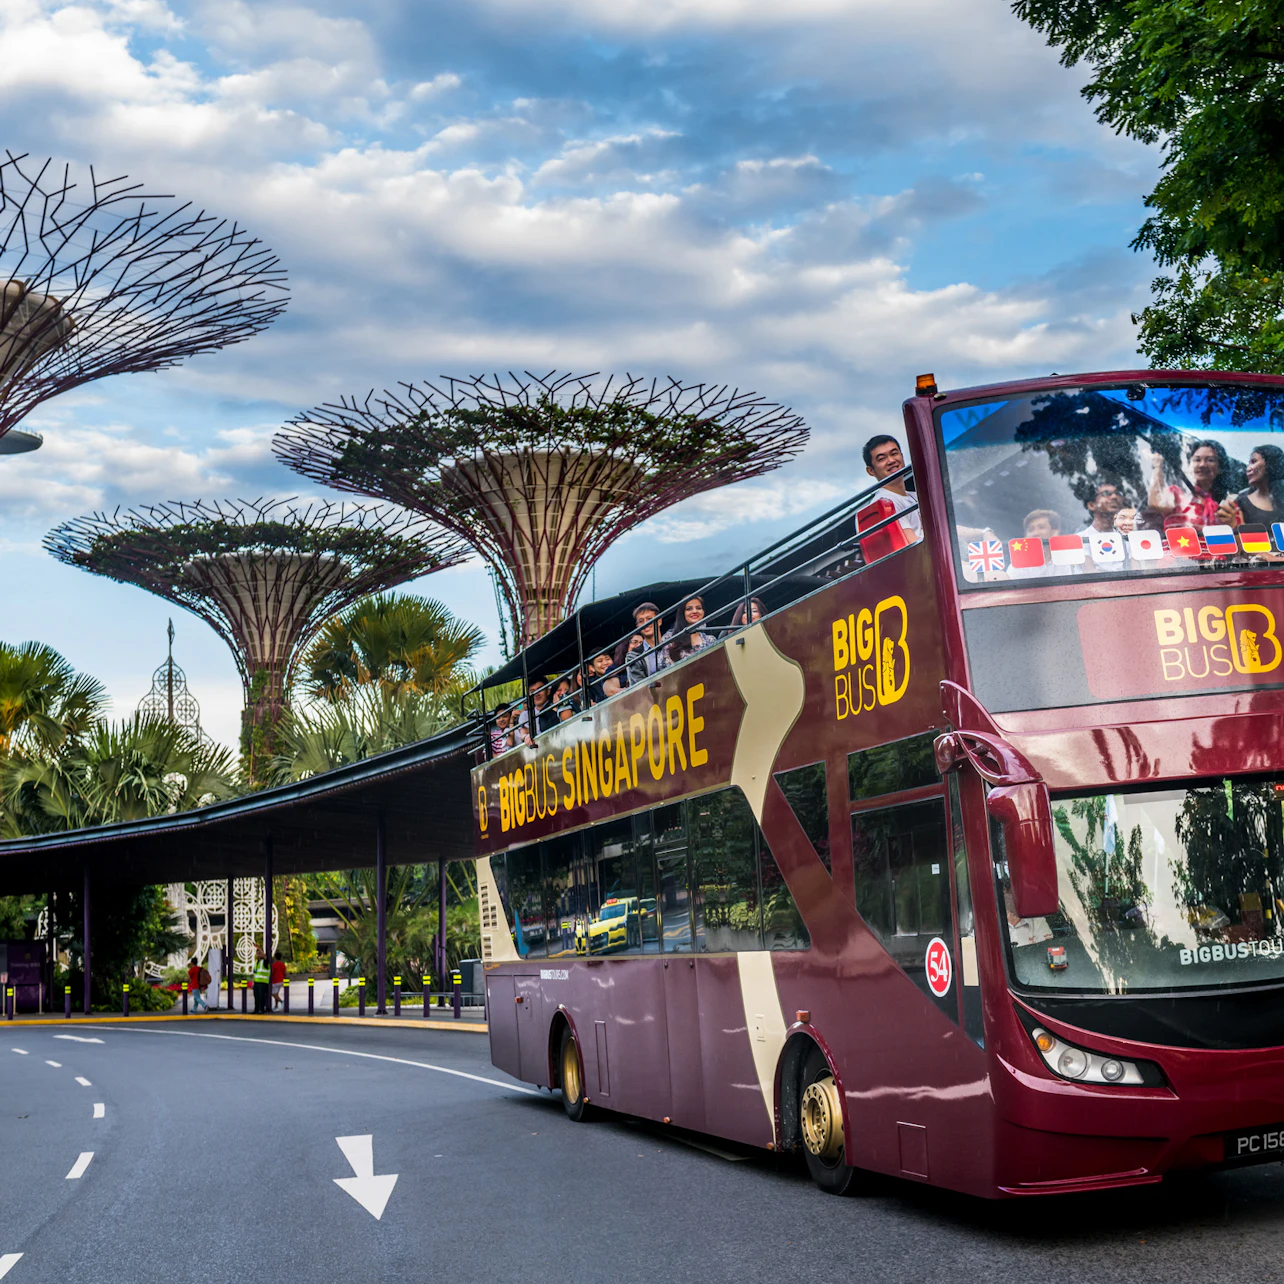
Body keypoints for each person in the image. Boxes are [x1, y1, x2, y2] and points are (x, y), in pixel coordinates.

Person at [1148, 439, 1231, 529]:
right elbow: (1156, 503)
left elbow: (1236, 533)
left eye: (1210, 460)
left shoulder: (1226, 505)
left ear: (1220, 468)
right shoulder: (1177, 494)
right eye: (1197, 460)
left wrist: (1231, 521)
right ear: (1190, 465)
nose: (1202, 465)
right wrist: (1157, 466)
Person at [860, 434, 921, 542]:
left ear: (902, 456)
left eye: (894, 454)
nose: (891, 460)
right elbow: (912, 545)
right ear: (871, 471)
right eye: (882, 459)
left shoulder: (916, 496)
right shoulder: (885, 503)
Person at [1220, 443, 1284, 527]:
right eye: (1249, 463)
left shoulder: (1281, 497)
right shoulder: (1241, 501)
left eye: (1254, 462)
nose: (1248, 468)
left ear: (1270, 463)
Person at [614, 601, 664, 685]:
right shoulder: (633, 656)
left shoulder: (672, 640)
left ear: (659, 621)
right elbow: (640, 687)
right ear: (638, 627)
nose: (646, 623)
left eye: (649, 619)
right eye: (641, 621)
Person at [1007, 509, 1063, 580]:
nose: (1035, 533)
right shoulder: (1018, 566)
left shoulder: (1069, 559)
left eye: (1041, 527)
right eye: (1031, 530)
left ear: (1055, 532)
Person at [662, 596, 716, 667]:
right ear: (682, 613)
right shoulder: (670, 638)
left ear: (703, 612)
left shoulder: (711, 640)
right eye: (689, 609)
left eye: (698, 608)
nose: (695, 611)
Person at [252, 945, 270, 1014]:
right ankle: (256, 1009)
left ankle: (261, 1009)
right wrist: (253, 982)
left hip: (263, 982)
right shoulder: (256, 962)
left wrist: (258, 948)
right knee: (256, 996)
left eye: (259, 953)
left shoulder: (265, 962)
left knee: (261, 996)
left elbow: (265, 956)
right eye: (257, 953)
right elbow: (254, 973)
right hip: (256, 982)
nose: (258, 954)